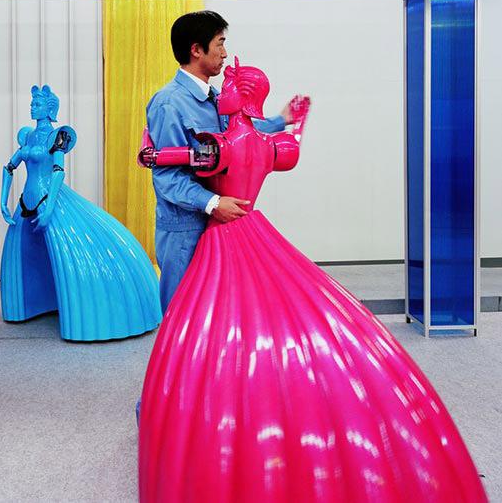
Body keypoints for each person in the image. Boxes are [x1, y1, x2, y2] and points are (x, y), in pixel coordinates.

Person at [138, 60, 486, 502]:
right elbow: (278, 140)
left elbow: (182, 159)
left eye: (231, 84)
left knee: (201, 326)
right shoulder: (268, 144)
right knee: (270, 314)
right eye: (221, 46)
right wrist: (288, 119)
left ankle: (195, 414)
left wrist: (152, 152)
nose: (225, 68)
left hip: (222, 231)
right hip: (252, 225)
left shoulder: (219, 142)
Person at [146, 10, 294, 312]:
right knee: (183, 312)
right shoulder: (169, 103)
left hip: (221, 221)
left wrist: (281, 120)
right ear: (196, 50)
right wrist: (213, 202)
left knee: (218, 312)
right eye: (219, 44)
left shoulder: (217, 97)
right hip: (186, 227)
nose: (225, 54)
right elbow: (167, 177)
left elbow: (239, 136)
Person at [0, 85, 161, 341]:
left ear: (50, 108)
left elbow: (57, 171)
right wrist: (3, 202)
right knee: (23, 252)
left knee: (70, 254)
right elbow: (9, 167)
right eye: (32, 103)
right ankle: (32, 302)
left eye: (38, 103)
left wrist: (51, 205)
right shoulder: (28, 136)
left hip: (49, 199)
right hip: (27, 202)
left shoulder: (57, 137)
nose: (33, 106)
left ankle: (99, 310)